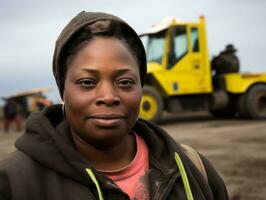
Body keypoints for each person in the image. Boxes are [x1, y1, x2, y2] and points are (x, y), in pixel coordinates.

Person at [0, 11, 228, 200]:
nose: (108, 96)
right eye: (87, 82)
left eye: (125, 82)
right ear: (63, 90)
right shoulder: (13, 182)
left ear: (141, 86)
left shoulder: (194, 168)